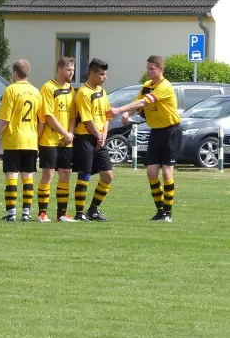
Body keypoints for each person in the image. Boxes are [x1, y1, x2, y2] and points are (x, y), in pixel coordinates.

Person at [108, 55, 180, 222]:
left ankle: (168, 213)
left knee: (167, 173)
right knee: (151, 172)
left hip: (170, 131)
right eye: (147, 68)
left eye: (151, 68)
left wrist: (119, 110)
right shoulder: (147, 86)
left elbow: (145, 102)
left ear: (160, 69)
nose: (148, 71)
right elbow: (137, 102)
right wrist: (126, 113)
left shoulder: (165, 87)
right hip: (156, 132)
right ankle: (160, 211)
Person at [0, 59, 43, 222]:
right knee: (28, 176)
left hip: (14, 139)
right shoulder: (36, 92)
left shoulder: (10, 90)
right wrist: (36, 138)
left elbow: (4, 119)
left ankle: (11, 214)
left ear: (15, 73)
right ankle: (26, 213)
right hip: (30, 140)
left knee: (12, 175)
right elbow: (42, 120)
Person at [71, 58, 113, 222]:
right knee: (85, 175)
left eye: (105, 74)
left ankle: (93, 210)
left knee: (107, 175)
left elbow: (107, 115)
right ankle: (79, 213)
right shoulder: (83, 92)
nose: (105, 77)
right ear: (92, 73)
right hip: (85, 138)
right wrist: (98, 135)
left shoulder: (102, 92)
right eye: (102, 74)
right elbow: (87, 120)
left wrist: (104, 134)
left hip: (99, 138)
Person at [36, 57, 78, 223]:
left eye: (73, 70)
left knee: (66, 174)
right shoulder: (48, 88)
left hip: (66, 140)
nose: (72, 73)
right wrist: (64, 133)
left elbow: (73, 116)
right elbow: (48, 116)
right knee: (48, 174)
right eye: (69, 70)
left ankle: (62, 214)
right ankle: (42, 213)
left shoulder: (70, 89)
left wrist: (70, 134)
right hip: (50, 139)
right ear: (60, 70)